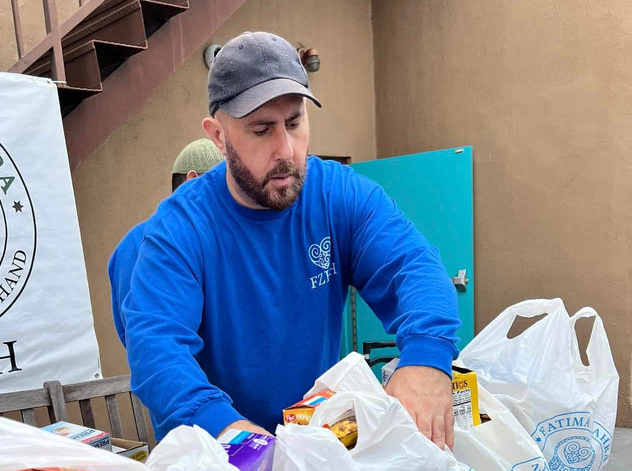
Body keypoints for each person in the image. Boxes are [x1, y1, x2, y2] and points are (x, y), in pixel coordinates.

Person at [122, 31, 461, 448]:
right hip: (219, 458)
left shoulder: (337, 194)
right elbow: (157, 348)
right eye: (262, 130)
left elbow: (413, 265)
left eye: (295, 122)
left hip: (317, 443)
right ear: (218, 135)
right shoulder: (180, 229)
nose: (286, 149)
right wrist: (227, 431)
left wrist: (427, 359)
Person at [108, 138, 223, 346]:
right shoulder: (195, 239)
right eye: (221, 181)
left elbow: (129, 331)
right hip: (188, 373)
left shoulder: (128, 244)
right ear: (192, 180)